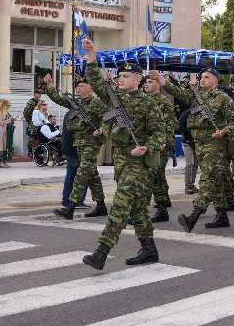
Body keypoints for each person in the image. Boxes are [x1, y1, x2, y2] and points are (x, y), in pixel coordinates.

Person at [80, 40, 166, 270]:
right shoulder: (114, 98)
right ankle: (149, 249)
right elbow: (96, 81)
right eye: (119, 76)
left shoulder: (148, 103)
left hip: (139, 163)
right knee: (137, 209)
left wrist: (147, 146)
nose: (121, 79)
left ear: (137, 79)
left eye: (126, 76)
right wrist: (91, 54)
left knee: (120, 204)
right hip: (121, 161)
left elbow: (161, 133)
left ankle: (102, 251)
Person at [156, 68, 234, 233]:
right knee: (215, 179)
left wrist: (223, 131)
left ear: (215, 80)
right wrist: (162, 81)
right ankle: (222, 215)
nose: (202, 79)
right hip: (198, 144)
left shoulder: (222, 98)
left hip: (215, 145)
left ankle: (193, 216)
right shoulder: (196, 96)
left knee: (207, 180)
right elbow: (179, 93)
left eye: (207, 77)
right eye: (201, 77)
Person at [43, 72, 109, 220]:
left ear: (90, 88)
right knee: (92, 175)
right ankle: (101, 206)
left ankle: (70, 208)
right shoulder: (77, 103)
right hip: (78, 144)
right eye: (77, 86)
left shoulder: (96, 103)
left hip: (91, 144)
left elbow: (109, 119)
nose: (78, 89)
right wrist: (50, 86)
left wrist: (102, 130)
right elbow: (58, 99)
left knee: (82, 173)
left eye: (82, 86)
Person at [142, 73, 178, 223]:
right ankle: (163, 202)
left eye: (150, 82)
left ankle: (161, 209)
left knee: (154, 175)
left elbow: (170, 124)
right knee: (156, 176)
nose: (146, 84)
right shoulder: (143, 100)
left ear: (158, 84)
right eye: (145, 82)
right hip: (147, 143)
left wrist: (163, 142)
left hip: (159, 144)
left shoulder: (164, 102)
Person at [178, 109, 198, 195]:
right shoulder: (185, 114)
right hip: (187, 142)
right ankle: (187, 186)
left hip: (196, 142)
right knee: (190, 163)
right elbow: (180, 127)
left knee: (195, 165)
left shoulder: (200, 114)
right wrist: (191, 133)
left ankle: (192, 184)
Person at [0, 99, 15, 168]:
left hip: (5, 130)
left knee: (4, 146)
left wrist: (11, 120)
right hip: (0, 130)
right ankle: (0, 162)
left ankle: (4, 161)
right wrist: (9, 120)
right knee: (0, 146)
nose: (9, 107)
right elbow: (0, 122)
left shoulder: (5, 111)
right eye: (8, 105)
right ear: (4, 105)